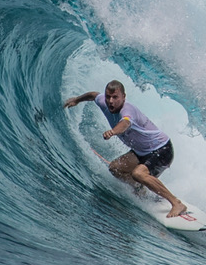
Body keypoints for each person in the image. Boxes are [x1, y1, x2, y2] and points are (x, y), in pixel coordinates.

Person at [63, 80, 187, 218]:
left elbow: (125, 123)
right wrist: (77, 100)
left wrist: (113, 131)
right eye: (108, 97)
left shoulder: (127, 110)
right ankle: (140, 189)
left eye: (115, 97)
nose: (111, 101)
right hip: (141, 151)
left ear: (123, 97)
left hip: (162, 149)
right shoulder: (103, 102)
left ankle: (176, 203)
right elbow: (93, 95)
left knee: (138, 174)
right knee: (115, 168)